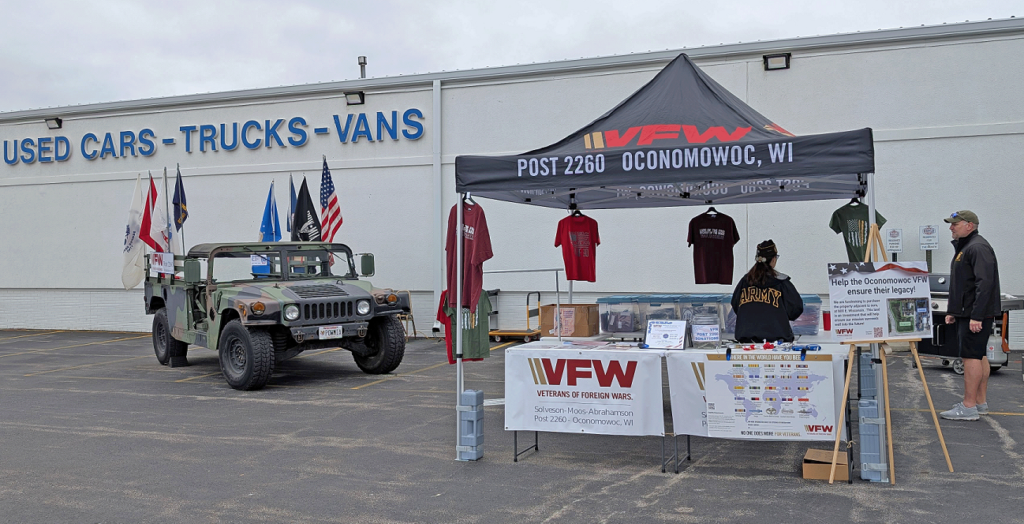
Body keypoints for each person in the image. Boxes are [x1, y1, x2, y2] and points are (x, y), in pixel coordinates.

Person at [940, 210, 1000, 421]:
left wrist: (977, 315)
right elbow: (964, 283)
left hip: (975, 314)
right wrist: (954, 311)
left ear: (969, 225)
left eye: (955, 224)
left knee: (971, 357)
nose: (951, 227)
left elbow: (985, 284)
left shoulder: (977, 247)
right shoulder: (967, 247)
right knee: (978, 355)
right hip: (968, 312)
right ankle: (979, 403)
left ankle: (968, 406)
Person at [731, 240, 804, 343]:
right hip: (777, 342)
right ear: (773, 259)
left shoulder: (745, 282)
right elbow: (796, 308)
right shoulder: (781, 283)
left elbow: (735, 304)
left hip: (747, 341)